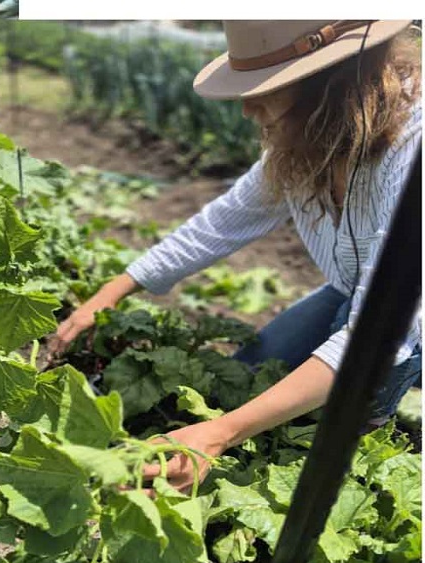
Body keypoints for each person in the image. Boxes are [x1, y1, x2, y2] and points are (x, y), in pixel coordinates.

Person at [47, 20, 422, 493]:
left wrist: (219, 435)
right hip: (356, 292)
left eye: (267, 89)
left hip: (407, 319)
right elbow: (224, 222)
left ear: (333, 81)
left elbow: (378, 335)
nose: (247, 109)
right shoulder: (318, 135)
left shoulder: (413, 153)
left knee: (325, 435)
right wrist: (114, 289)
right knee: (247, 375)